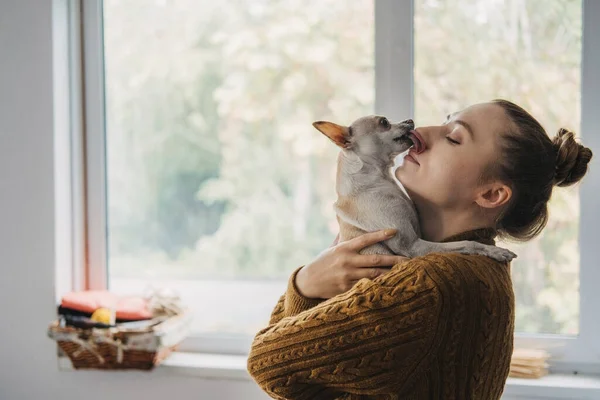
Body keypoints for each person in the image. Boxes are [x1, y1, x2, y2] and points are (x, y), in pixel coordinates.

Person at [246, 99, 593, 399]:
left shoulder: (429, 284)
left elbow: (266, 363)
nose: (422, 133)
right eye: (443, 121)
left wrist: (305, 285)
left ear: (491, 194)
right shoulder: (479, 271)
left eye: (454, 138)